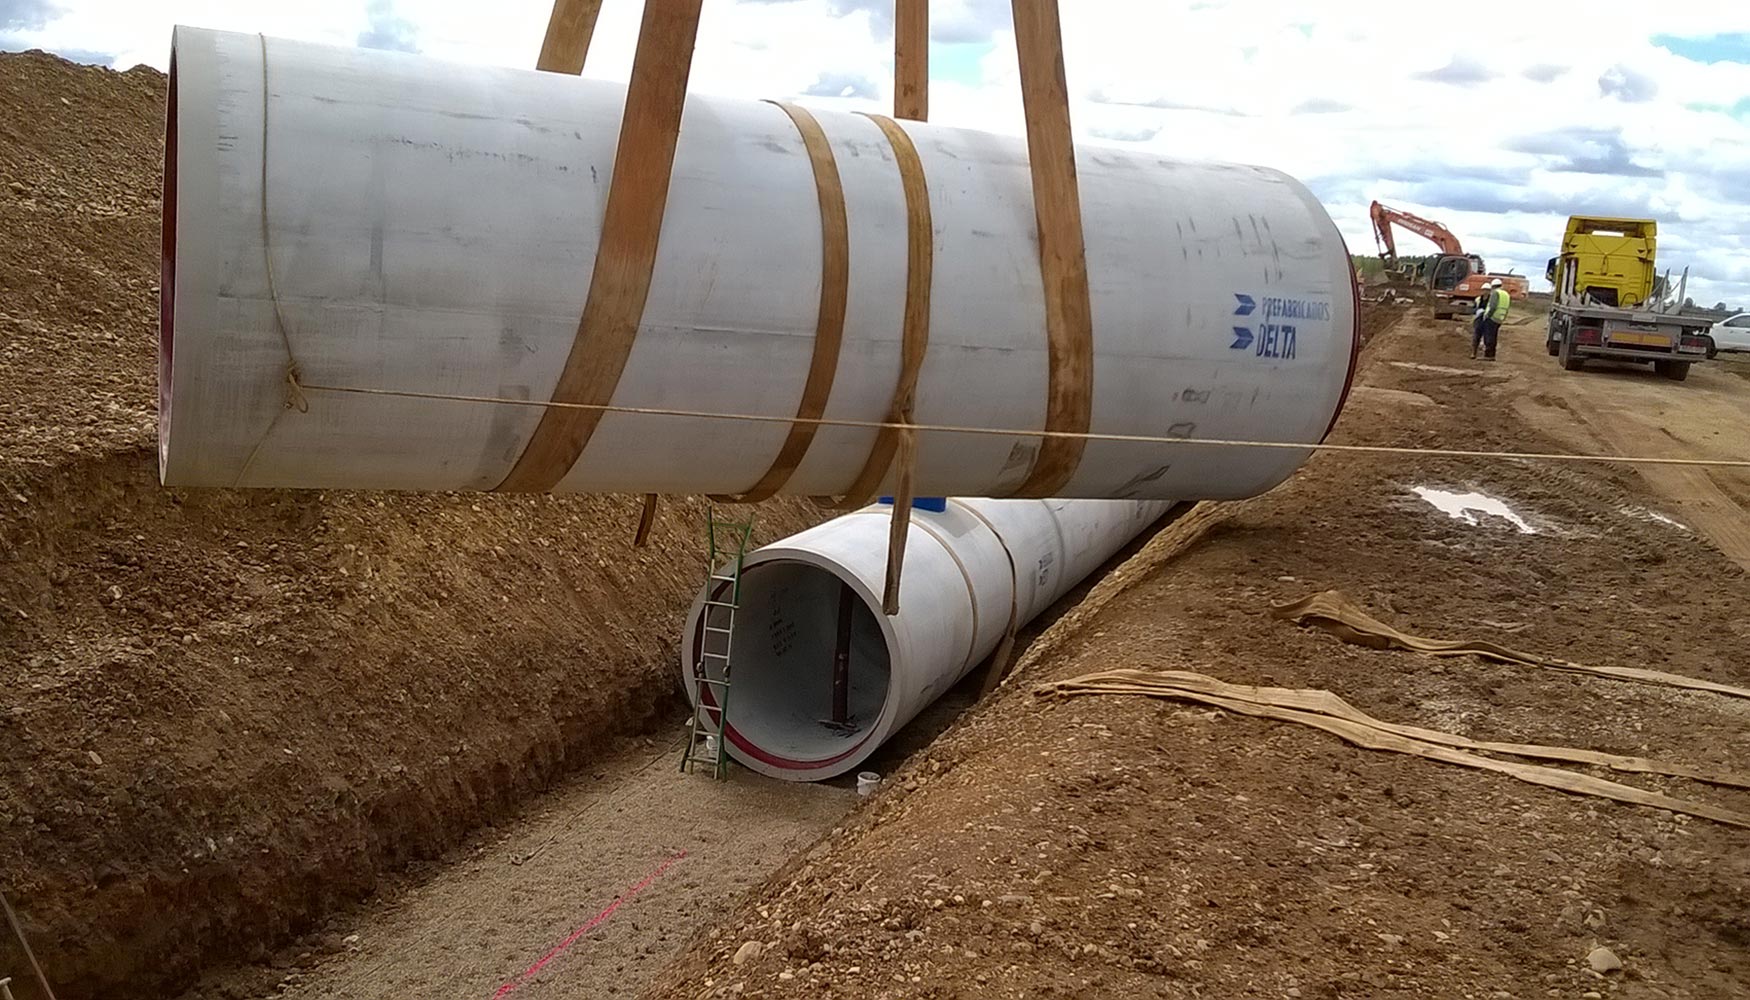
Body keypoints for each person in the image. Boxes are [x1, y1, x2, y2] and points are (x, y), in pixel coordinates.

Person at [1471, 278, 1510, 360]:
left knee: (1489, 337)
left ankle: (1489, 355)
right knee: (1493, 336)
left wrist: (1488, 315)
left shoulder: (1496, 293)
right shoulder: (1505, 294)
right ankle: (1491, 354)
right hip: (1500, 318)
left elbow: (1492, 307)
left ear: (1493, 286)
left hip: (1492, 318)